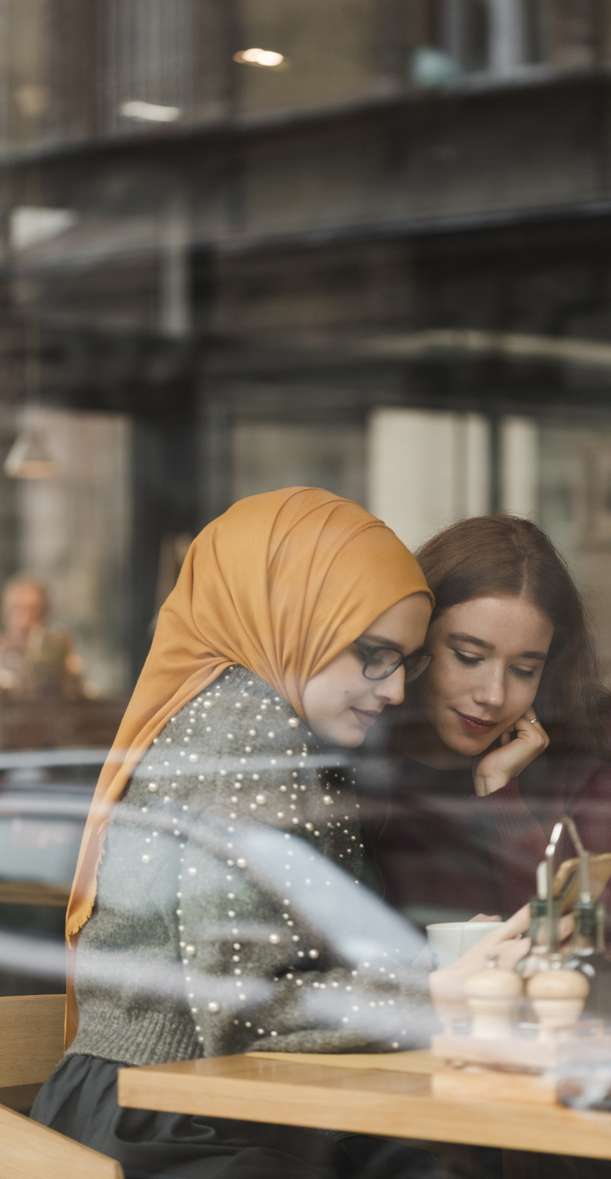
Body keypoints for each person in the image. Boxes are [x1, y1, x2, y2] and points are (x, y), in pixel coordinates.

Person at [31, 488, 532, 1179]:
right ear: (292, 618)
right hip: (171, 1123)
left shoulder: (268, 722)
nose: (391, 690)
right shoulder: (246, 724)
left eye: (404, 661)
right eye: (372, 653)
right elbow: (242, 1008)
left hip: (188, 1103)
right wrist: (438, 993)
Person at [361, 514, 611, 970]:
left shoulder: (586, 762)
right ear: (415, 641)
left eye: (524, 669)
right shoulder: (362, 746)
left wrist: (501, 795)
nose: (493, 696)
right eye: (469, 657)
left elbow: (594, 960)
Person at [0, 575, 84, 700]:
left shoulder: (64, 660)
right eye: (16, 609)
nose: (24, 621)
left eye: (33, 611)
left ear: (45, 614)